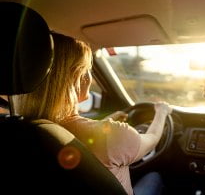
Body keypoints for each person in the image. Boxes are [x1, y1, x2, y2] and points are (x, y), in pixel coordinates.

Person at [13, 32, 172, 195]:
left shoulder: (20, 131)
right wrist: (162, 112)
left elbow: (78, 138)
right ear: (78, 77)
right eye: (88, 69)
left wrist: (106, 122)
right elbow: (151, 139)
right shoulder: (114, 136)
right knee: (155, 177)